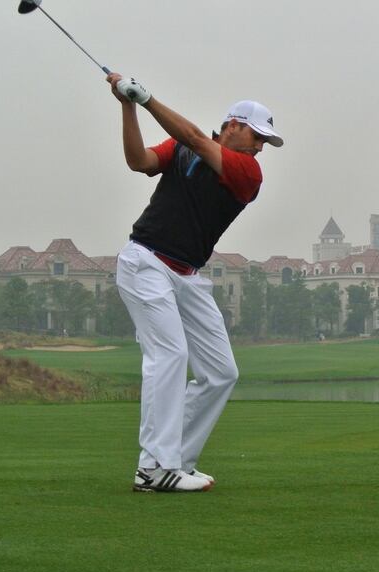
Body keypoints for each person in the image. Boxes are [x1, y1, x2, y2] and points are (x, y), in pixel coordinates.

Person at [106, 73, 283, 492]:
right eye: (257, 136)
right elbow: (139, 161)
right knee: (169, 355)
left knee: (221, 372)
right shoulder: (183, 147)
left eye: (264, 141)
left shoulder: (247, 172)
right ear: (233, 125)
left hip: (188, 276)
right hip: (145, 262)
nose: (261, 147)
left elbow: (197, 140)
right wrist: (127, 106)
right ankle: (153, 469)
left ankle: (177, 461)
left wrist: (145, 98)